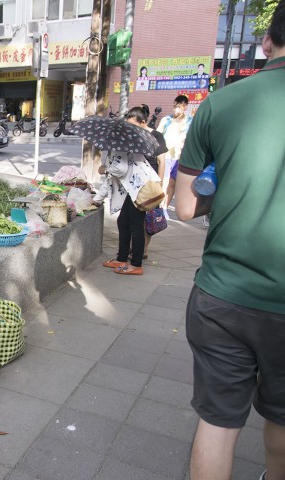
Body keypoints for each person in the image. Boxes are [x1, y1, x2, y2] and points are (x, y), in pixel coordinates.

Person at [175, 2, 285, 479]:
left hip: (224, 295)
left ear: (267, 40)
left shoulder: (222, 103)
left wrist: (229, 189)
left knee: (218, 423)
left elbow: (184, 208)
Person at [95, 145, 160, 276]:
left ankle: (136, 264)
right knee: (123, 222)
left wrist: (105, 169)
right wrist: (98, 197)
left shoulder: (119, 146)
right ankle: (121, 259)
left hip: (140, 188)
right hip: (133, 188)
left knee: (135, 226)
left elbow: (119, 169)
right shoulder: (116, 145)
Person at [125, 105, 168, 259]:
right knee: (132, 218)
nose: (131, 128)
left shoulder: (156, 136)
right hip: (135, 183)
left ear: (143, 122)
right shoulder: (133, 136)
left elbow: (161, 161)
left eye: (133, 125)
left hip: (151, 183)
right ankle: (134, 247)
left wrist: (160, 183)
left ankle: (143, 250)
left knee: (147, 219)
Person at [157, 94, 192, 214]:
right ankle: (158, 206)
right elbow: (158, 136)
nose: (176, 110)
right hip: (166, 155)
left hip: (179, 157)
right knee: (164, 182)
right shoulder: (166, 120)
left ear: (185, 107)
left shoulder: (190, 122)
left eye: (180, 107)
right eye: (175, 106)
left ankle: (164, 208)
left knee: (172, 183)